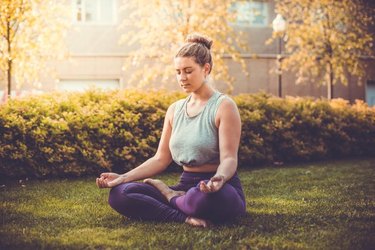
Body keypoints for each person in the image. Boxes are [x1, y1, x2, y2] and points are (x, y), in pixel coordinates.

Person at [96, 33, 246, 227]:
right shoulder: (175, 110)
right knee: (120, 194)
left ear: (206, 69)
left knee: (201, 199)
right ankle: (182, 215)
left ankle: (169, 197)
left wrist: (220, 178)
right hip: (185, 186)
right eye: (178, 72)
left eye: (188, 71)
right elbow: (161, 159)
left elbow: (229, 158)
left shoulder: (224, 106)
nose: (182, 77)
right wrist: (123, 177)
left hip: (219, 188)